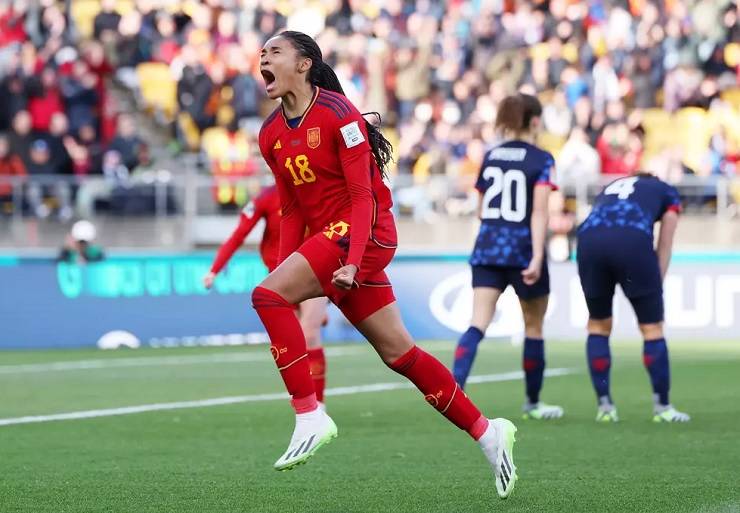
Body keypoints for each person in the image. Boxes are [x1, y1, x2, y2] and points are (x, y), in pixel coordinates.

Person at [251, 31, 517, 498]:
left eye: (274, 51)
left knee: (265, 296)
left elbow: (361, 195)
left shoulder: (338, 114)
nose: (263, 58)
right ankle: (488, 432)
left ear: (304, 63)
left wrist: (352, 262)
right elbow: (290, 210)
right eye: (262, 54)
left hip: (365, 234)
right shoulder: (271, 134)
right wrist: (282, 269)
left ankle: (310, 414)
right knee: (401, 355)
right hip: (331, 244)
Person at [451, 94, 564, 421]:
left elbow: (483, 208)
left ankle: (454, 393)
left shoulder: (491, 156)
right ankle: (533, 403)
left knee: (477, 323)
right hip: (523, 248)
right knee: (533, 326)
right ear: (534, 121)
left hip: (488, 246)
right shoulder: (542, 158)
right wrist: (538, 255)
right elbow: (540, 211)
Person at [577, 171, 690, 423]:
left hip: (588, 239)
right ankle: (663, 408)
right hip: (632, 240)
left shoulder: (612, 186)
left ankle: (605, 407)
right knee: (652, 329)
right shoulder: (666, 189)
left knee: (598, 324)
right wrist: (655, 284)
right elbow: (665, 242)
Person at [203, 185, 330, 406]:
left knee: (309, 332)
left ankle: (317, 406)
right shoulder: (267, 198)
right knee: (293, 340)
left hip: (314, 270)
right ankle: (305, 399)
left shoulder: (319, 191)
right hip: (280, 278)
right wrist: (215, 269)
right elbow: (239, 234)